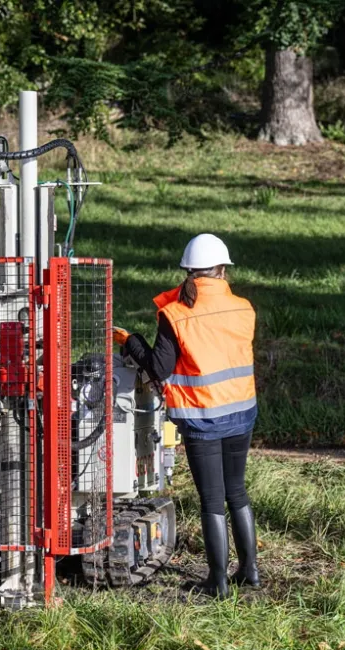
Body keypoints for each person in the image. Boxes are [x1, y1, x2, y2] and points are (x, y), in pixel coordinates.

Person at [113, 233, 259, 598]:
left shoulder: (175, 315)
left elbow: (158, 369)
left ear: (187, 272)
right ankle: (250, 571)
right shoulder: (244, 308)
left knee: (212, 500)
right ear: (223, 270)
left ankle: (218, 582)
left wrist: (130, 341)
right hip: (242, 411)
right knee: (236, 491)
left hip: (202, 418)